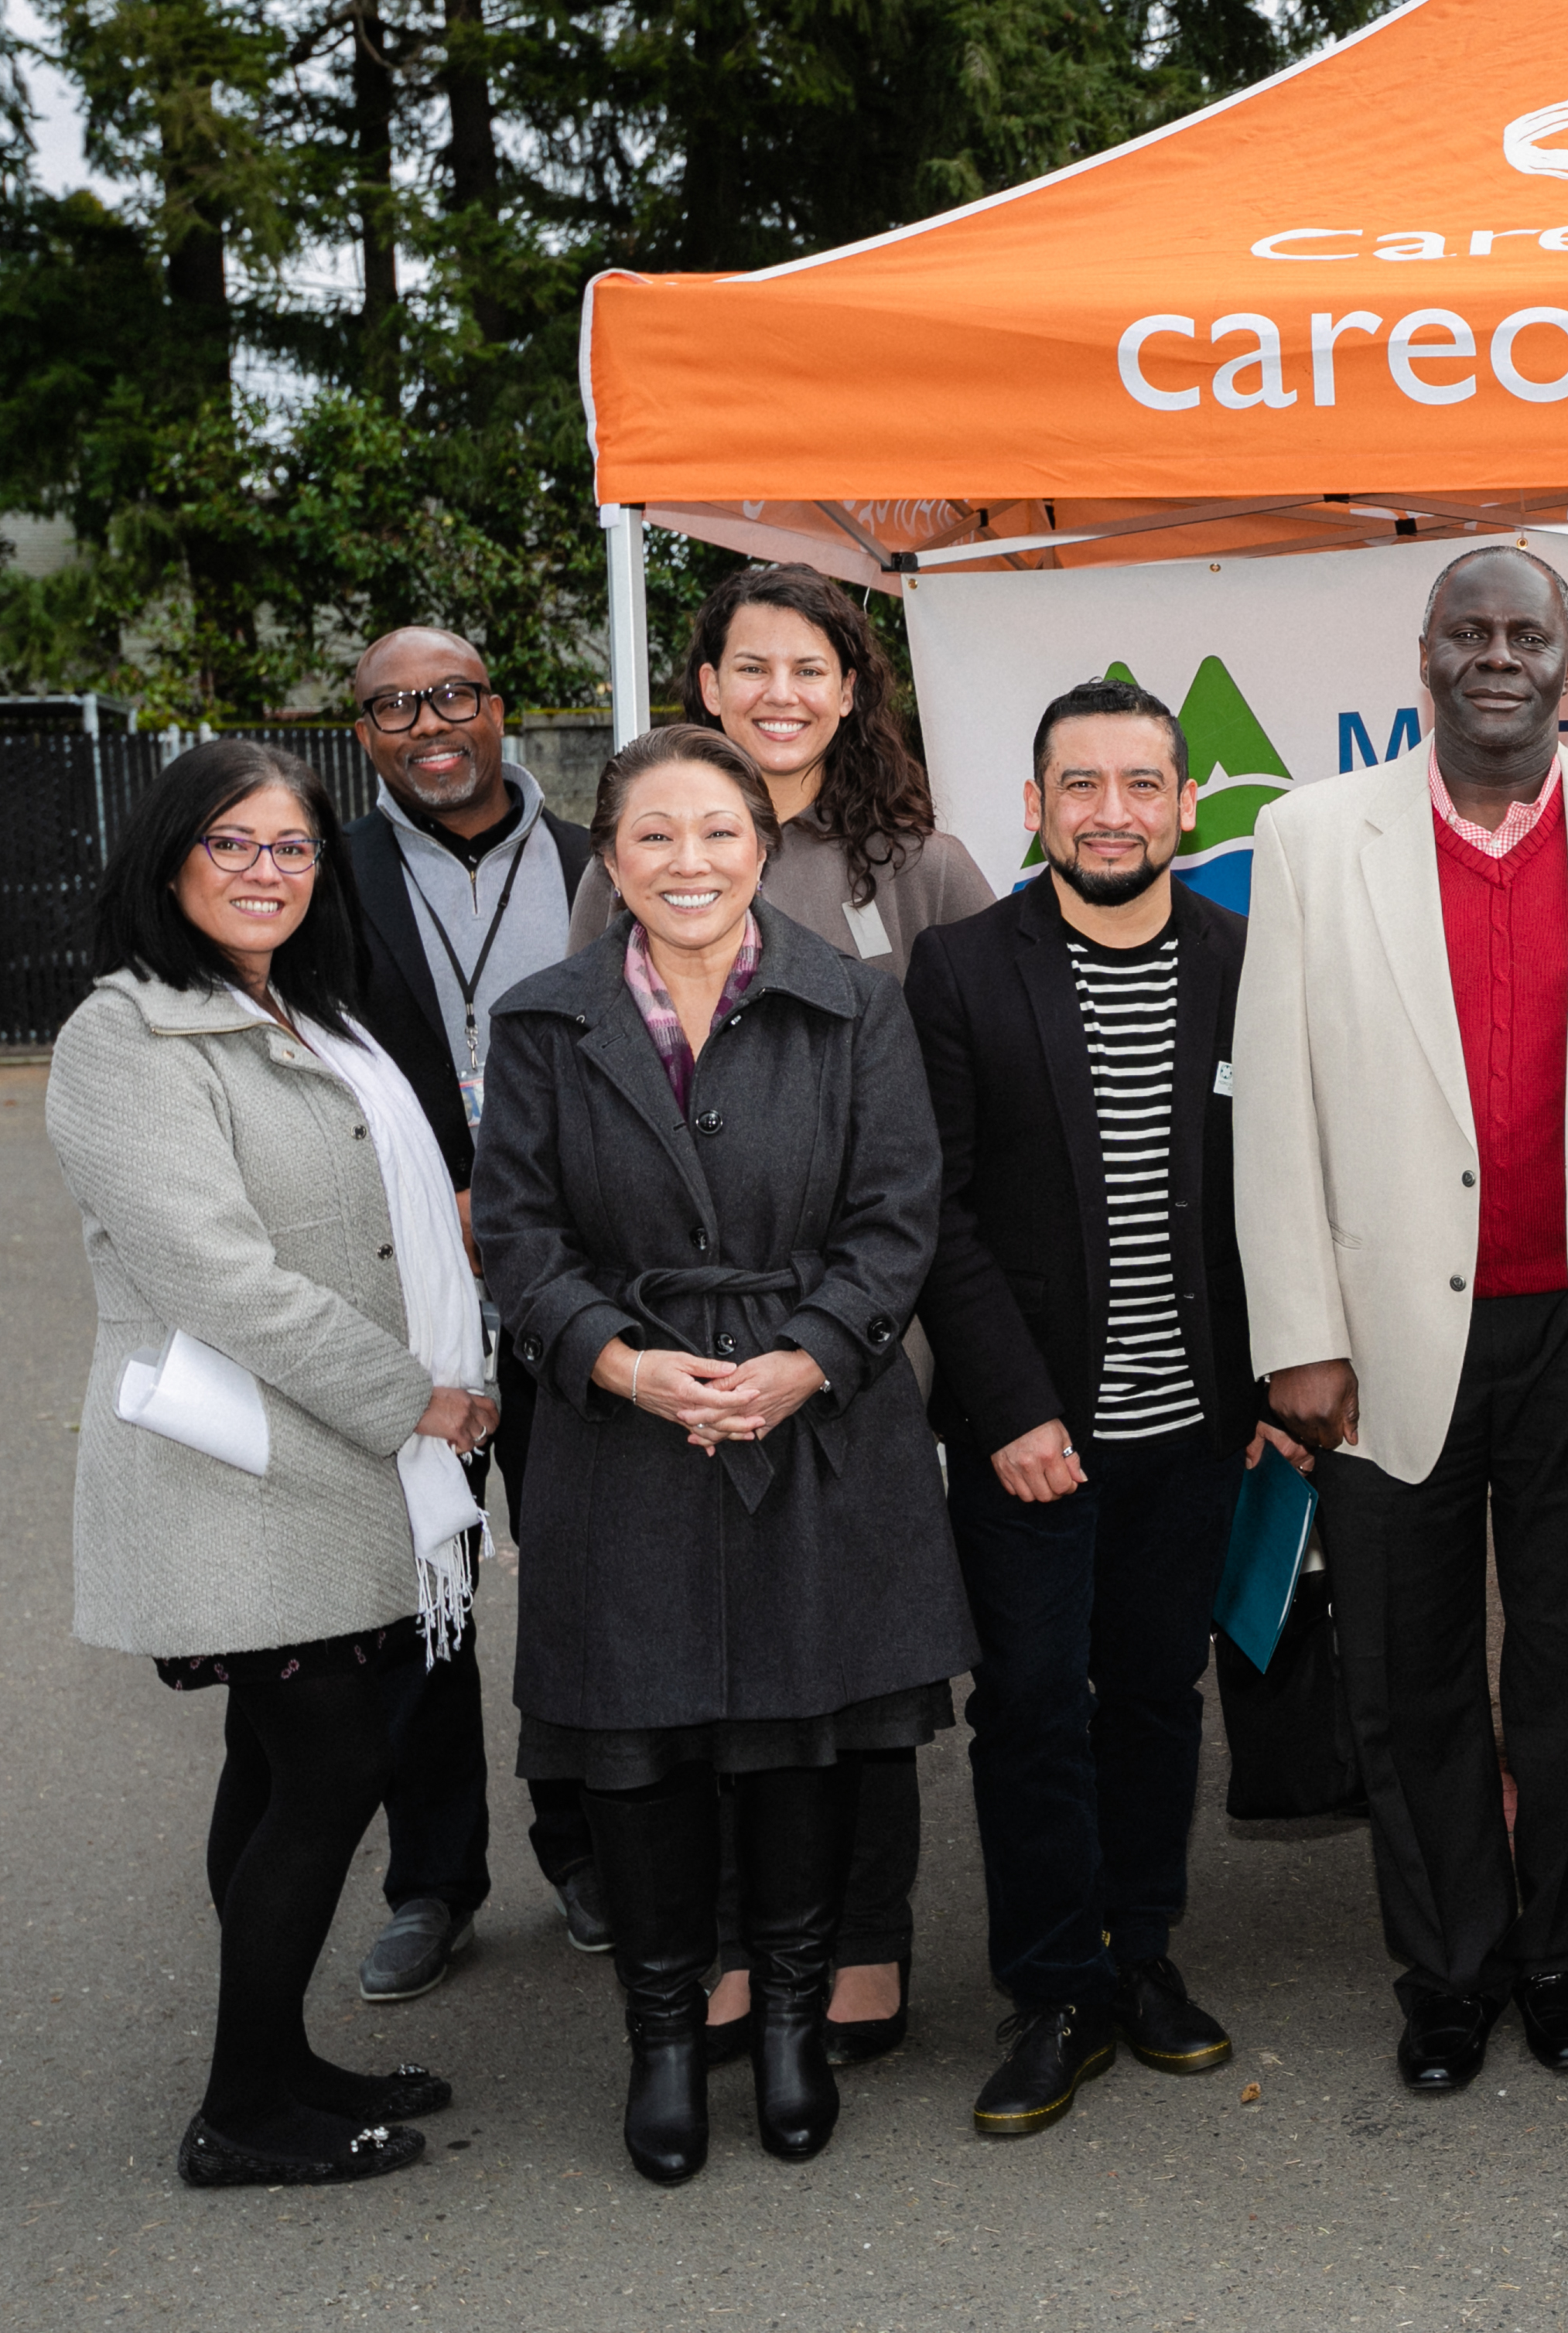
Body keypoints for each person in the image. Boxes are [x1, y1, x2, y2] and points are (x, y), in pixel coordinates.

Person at [1233, 545, 1568, 2092]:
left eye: (1529, 635)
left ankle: (1567, 1958)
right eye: (1470, 631)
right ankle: (1446, 1969)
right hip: (1379, 1346)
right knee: (1409, 1674)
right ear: (1423, 654)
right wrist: (1299, 1330)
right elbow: (1276, 1105)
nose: (1496, 656)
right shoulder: (1309, 836)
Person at [479, 726, 975, 2185]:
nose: (687, 862)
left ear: (764, 846)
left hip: (818, 1416)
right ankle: (661, 2038)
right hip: (622, 1430)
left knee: (804, 1737)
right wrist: (624, 1366)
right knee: (635, 1751)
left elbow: (901, 1214)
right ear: (612, 861)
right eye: (653, 836)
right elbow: (514, 1233)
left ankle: (792, 2032)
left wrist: (807, 1358)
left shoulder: (850, 1008)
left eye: (716, 833)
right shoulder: (543, 1022)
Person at [50, 740, 498, 2188]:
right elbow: (213, 1274)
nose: (265, 871)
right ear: (171, 860)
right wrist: (418, 1399)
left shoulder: (308, 1014)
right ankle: (243, 2107)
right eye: (232, 844)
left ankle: (274, 2056)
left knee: (278, 1763)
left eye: (292, 847)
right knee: (323, 1770)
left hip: (329, 1463)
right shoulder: (126, 1034)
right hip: (241, 1458)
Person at [566, 560, 992, 2063]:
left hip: (873, 1332)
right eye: (751, 668)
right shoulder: (637, 855)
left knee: (859, 1664)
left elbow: (966, 1103)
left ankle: (863, 1942)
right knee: (711, 1668)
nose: (780, 696)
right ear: (706, 686)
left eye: (810, 669)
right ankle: (737, 1953)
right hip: (683, 1347)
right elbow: (588, 1101)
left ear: (855, 689)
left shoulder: (918, 865)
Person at [906, 678, 1253, 2138]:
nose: (1112, 812)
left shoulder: (1249, 959)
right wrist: (1010, 1409)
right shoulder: (962, 967)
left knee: (1159, 1698)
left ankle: (1145, 1956)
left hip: (1197, 1423)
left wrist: (1276, 1375)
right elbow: (940, 1209)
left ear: (1188, 804)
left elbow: (1277, 1186)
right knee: (1035, 1708)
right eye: (1080, 785)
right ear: (1035, 806)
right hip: (1033, 1428)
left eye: (1140, 784)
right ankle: (1052, 1985)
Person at [333, 627, 603, 2003]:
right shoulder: (327, 872)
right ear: (365, 732)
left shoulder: (599, 858)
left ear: (498, 709)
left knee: (577, 1573)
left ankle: (586, 1846)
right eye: (392, 707)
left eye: (449, 696)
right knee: (426, 1595)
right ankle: (433, 1880)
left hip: (574, 1275)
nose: (427, 725)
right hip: (415, 1289)